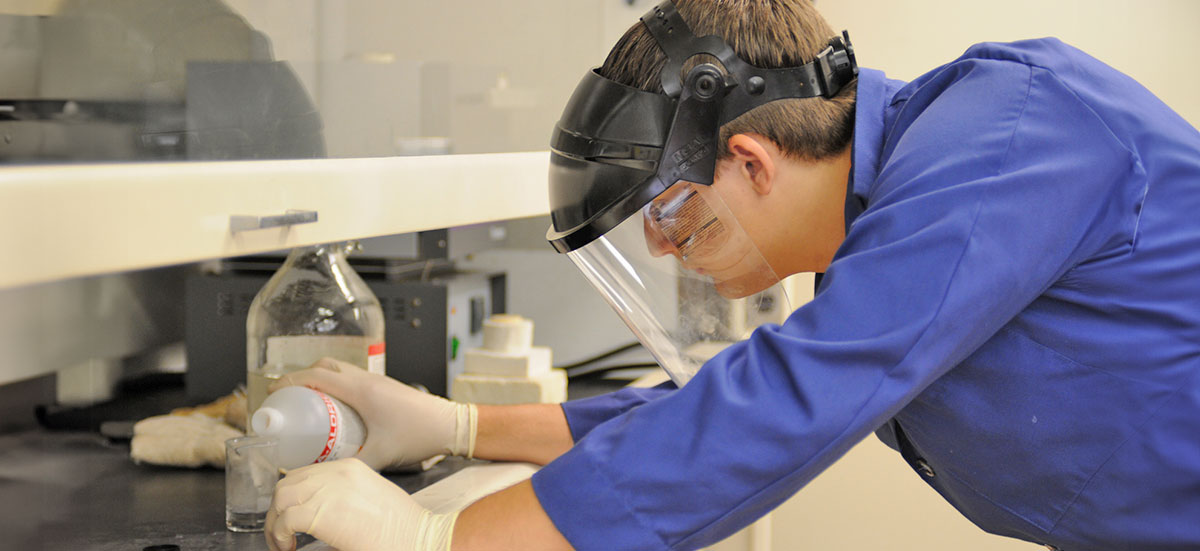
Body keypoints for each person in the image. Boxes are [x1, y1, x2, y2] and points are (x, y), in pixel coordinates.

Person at [263, 1, 1200, 550]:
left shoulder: (1008, 135)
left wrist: (442, 540)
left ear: (751, 162)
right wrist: (454, 425)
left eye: (669, 216)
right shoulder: (885, 245)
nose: (668, 252)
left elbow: (790, 396)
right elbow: (726, 401)